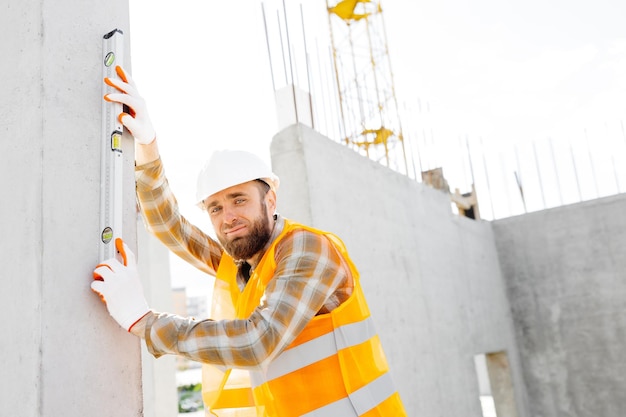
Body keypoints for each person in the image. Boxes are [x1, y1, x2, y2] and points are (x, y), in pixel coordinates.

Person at [92, 66, 407, 417]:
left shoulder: (307, 249)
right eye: (215, 208)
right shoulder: (243, 265)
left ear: (270, 201)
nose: (228, 218)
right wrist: (148, 146)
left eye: (239, 200)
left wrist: (144, 320)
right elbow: (173, 230)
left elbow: (258, 342)